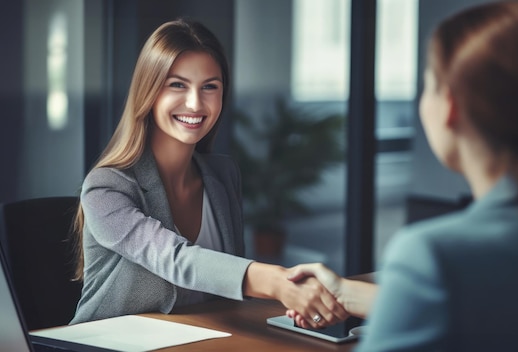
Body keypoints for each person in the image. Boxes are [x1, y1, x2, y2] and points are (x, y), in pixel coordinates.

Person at [287, 2, 518, 351]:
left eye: (428, 84)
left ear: (450, 105)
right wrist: (345, 292)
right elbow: (493, 306)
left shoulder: (431, 254)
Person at [70, 18, 348, 327]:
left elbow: (226, 287)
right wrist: (279, 283)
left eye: (209, 87)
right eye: (177, 85)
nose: (195, 103)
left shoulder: (222, 175)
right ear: (148, 91)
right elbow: (175, 259)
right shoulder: (106, 186)